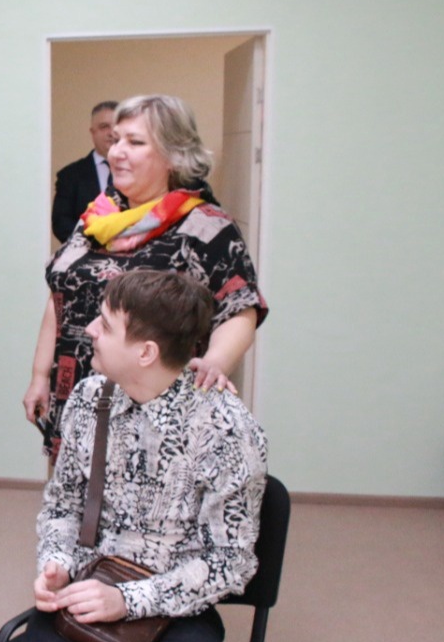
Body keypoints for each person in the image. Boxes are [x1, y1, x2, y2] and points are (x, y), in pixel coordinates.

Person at [0, 269, 268, 642]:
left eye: (105, 324)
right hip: (88, 587)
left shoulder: (228, 429)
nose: (89, 330)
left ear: (146, 352)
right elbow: (62, 505)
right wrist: (56, 562)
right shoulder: (88, 400)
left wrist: (128, 601)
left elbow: (231, 562)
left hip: (177, 608)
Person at [22, 94, 267, 461]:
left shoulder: (205, 227)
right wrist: (40, 376)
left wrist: (216, 361)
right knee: (74, 491)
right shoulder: (96, 219)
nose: (117, 151)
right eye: (115, 139)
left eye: (135, 142)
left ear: (173, 155)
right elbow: (60, 296)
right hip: (75, 393)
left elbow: (240, 307)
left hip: (152, 407)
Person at [51, 101, 118, 242]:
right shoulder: (70, 176)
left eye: (116, 126)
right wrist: (94, 245)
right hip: (86, 250)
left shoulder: (141, 171)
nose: (111, 133)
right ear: (93, 133)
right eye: (104, 126)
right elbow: (61, 223)